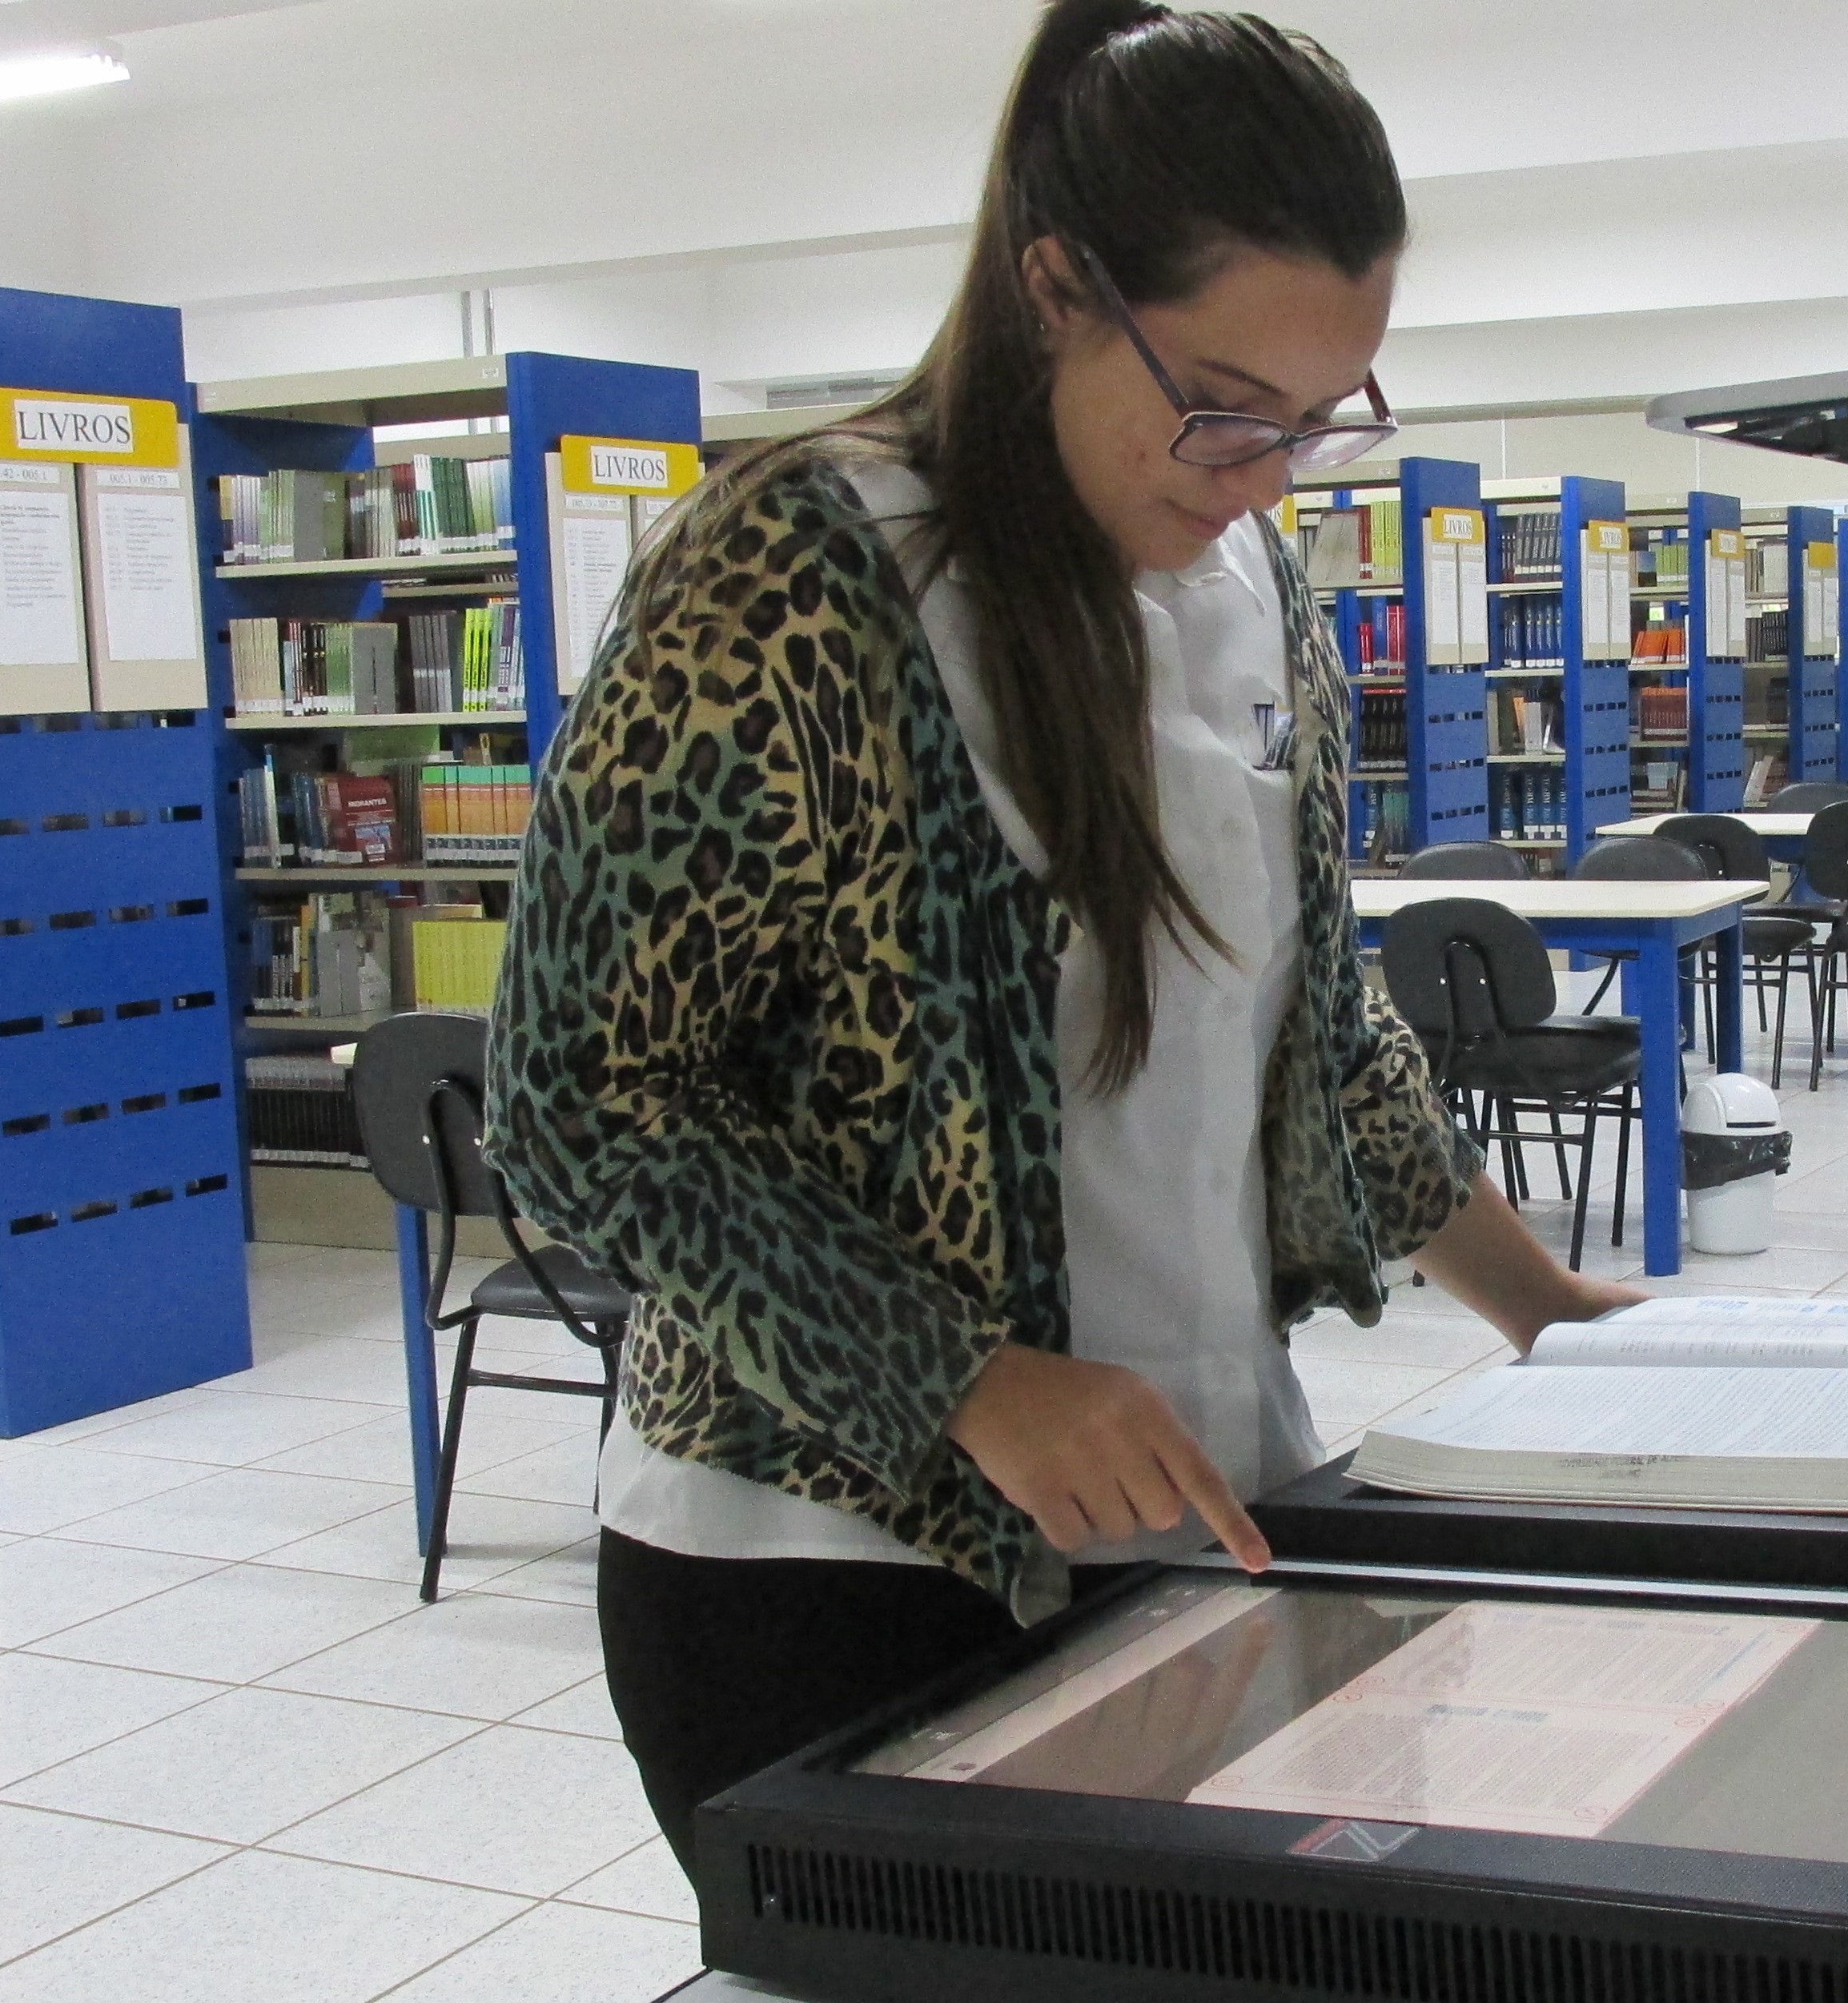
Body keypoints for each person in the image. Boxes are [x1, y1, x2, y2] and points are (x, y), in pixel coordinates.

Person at [485, 0, 1645, 1876]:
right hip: (827, 1572)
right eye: (1218, 400)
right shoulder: (794, 575)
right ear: (1052, 287)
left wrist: (1547, 1311)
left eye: (1317, 414)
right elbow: (580, 1103)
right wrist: (966, 1376)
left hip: (1209, 1510)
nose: (1262, 467)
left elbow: (1316, 1026)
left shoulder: (1258, 581)